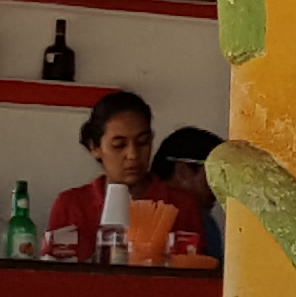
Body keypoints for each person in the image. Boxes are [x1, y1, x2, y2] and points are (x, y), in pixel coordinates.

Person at [41, 89, 201, 263]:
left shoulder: (179, 205)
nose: (133, 155)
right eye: (119, 145)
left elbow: (196, 269)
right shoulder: (71, 205)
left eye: (143, 142)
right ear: (95, 147)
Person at [146, 125, 232, 265]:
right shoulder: (143, 213)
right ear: (183, 172)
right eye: (216, 173)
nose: (223, 186)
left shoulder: (207, 223)